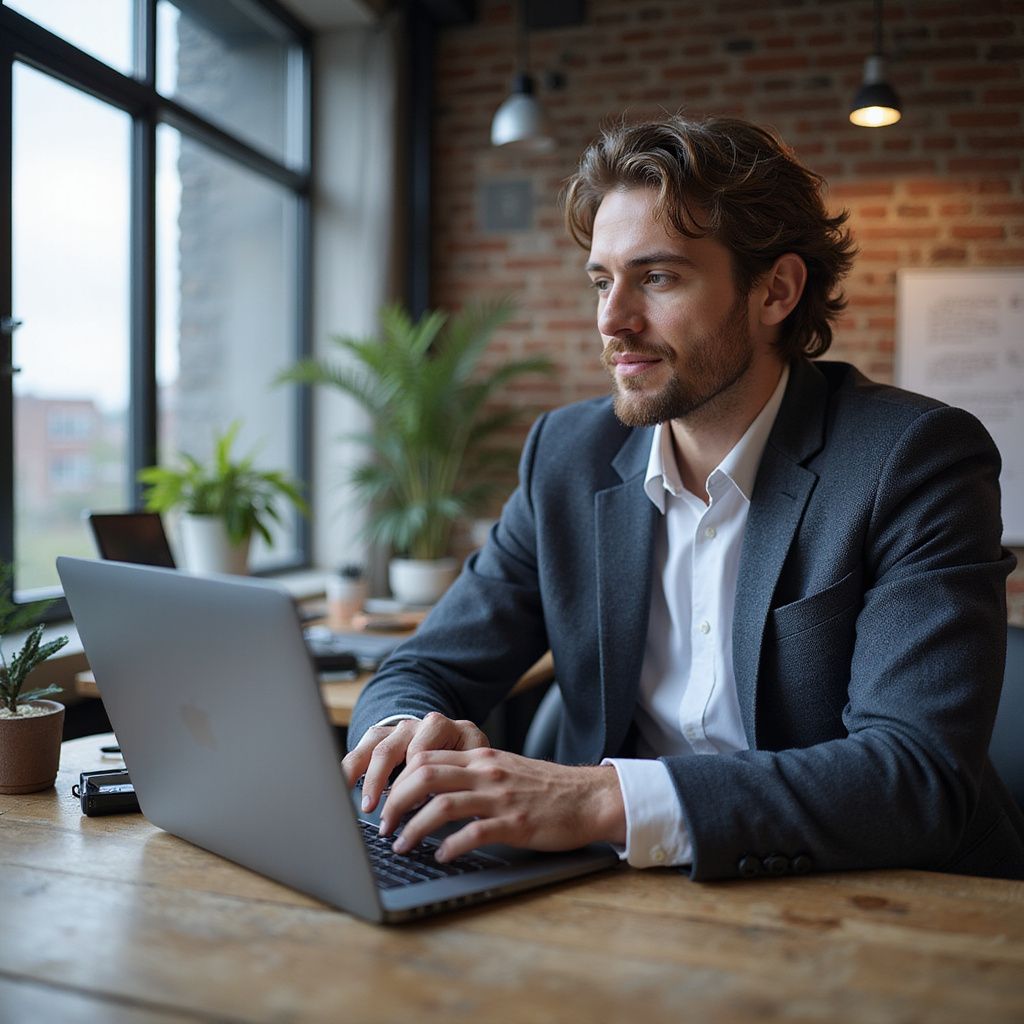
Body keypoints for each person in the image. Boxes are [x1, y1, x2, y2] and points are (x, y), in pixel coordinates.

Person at [342, 114, 1024, 881]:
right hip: (618, 894)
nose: (611, 321)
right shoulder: (568, 457)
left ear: (776, 291)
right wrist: (401, 734)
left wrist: (602, 801)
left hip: (877, 897)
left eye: (657, 277)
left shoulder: (913, 459)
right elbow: (423, 666)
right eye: (603, 280)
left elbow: (914, 778)